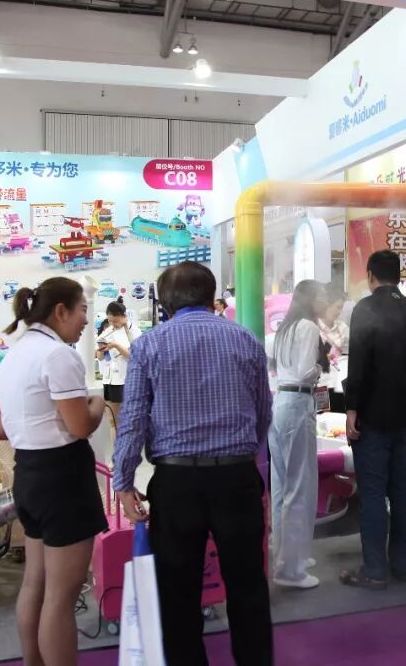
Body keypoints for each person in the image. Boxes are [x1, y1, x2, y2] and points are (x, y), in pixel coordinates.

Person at [113, 261, 273, 665]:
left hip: (176, 482)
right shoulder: (245, 339)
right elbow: (262, 412)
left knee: (178, 592)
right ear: (210, 296)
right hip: (236, 477)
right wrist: (245, 458)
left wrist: (124, 481)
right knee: (248, 587)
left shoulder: (149, 345)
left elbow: (132, 419)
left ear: (165, 303)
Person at [0, 277, 107, 666]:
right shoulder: (58, 356)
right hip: (63, 479)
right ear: (61, 311)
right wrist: (97, 403)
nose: (86, 320)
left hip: (28, 474)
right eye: (83, 310)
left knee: (36, 585)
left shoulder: (13, 355)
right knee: (60, 597)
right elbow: (79, 426)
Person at [342, 250, 406, 589]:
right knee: (400, 489)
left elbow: (357, 364)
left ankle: (374, 570)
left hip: (371, 414)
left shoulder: (365, 309)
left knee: (371, 493)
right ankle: (401, 566)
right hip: (404, 415)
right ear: (398, 276)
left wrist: (351, 409)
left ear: (371, 276)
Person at [270, 279, 328, 590]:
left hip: (282, 402)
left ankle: (286, 555)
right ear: (310, 299)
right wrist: (320, 366)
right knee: (298, 486)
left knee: (282, 486)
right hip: (297, 403)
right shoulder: (308, 327)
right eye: (322, 296)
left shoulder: (286, 328)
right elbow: (306, 370)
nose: (325, 301)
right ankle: (290, 569)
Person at [96, 301, 141, 432]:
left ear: (124, 316)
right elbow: (100, 357)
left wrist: (116, 345)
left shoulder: (134, 330)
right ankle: (116, 445)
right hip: (110, 378)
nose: (112, 324)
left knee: (125, 420)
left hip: (126, 379)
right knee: (112, 421)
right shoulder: (108, 331)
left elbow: (134, 355)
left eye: (115, 321)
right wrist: (100, 348)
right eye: (110, 321)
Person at [319, 291, 350, 413]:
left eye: (341, 308)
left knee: (339, 418)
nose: (339, 312)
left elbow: (348, 355)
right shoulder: (313, 327)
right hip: (320, 385)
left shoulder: (343, 328)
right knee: (321, 419)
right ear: (327, 305)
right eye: (337, 307)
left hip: (339, 385)